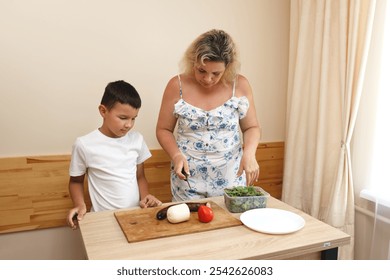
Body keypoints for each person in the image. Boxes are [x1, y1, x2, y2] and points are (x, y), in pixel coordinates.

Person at [156, 29, 261, 201]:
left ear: (228, 67)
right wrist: (176, 155)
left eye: (216, 73)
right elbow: (163, 129)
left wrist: (249, 154)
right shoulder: (177, 85)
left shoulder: (240, 85)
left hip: (231, 177)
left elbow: (251, 127)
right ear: (193, 62)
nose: (207, 79)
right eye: (201, 71)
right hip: (187, 179)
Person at [67, 80, 162, 229]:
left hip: (134, 217)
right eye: (123, 118)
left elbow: (140, 176)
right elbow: (76, 181)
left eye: (133, 118)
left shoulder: (137, 140)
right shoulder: (84, 144)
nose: (129, 124)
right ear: (103, 111)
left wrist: (145, 197)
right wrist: (79, 205)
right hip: (103, 220)